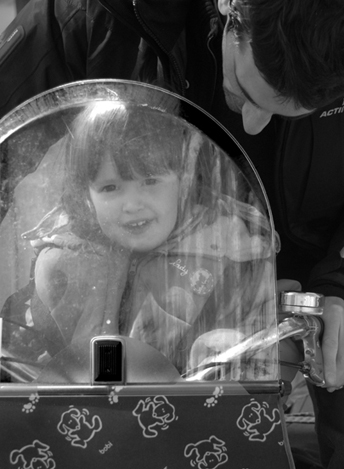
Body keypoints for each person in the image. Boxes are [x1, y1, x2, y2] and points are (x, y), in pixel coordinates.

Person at [0, 0, 344, 469]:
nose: (255, 126)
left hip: (333, 265)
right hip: (133, 254)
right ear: (233, 10)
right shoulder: (99, 15)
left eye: (293, 113)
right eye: (245, 90)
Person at [10, 99, 275, 376]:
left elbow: (267, 348)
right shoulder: (65, 259)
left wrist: (231, 354)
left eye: (150, 181)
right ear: (86, 195)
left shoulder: (230, 253)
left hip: (192, 399)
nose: (132, 204)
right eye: (110, 188)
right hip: (90, 399)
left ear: (183, 180)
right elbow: (34, 350)